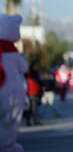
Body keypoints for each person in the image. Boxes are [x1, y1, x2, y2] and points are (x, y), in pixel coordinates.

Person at [0, 13, 28, 152]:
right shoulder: (13, 53)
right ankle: (7, 144)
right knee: (12, 118)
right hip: (13, 91)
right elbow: (24, 68)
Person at [25, 62, 43, 126]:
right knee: (32, 108)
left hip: (35, 93)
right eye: (36, 66)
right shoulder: (32, 74)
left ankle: (30, 121)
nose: (37, 67)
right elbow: (38, 81)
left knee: (32, 108)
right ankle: (34, 121)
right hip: (31, 93)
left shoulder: (36, 73)